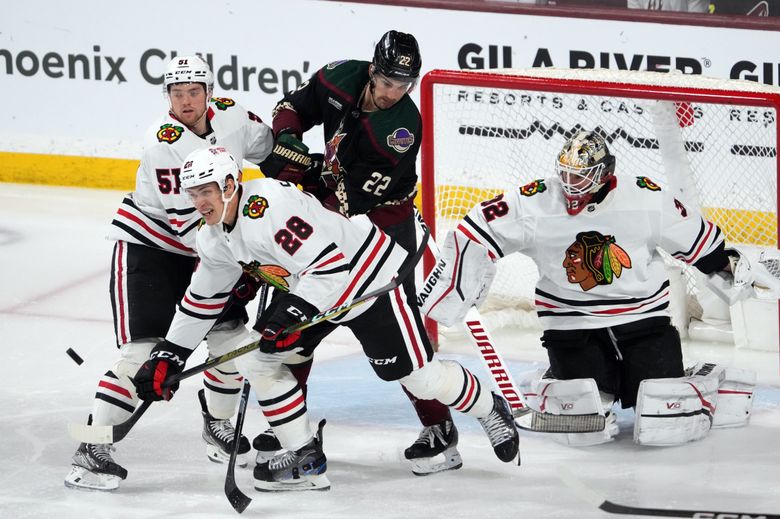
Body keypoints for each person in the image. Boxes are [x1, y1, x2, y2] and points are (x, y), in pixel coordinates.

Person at [131, 145, 520, 491]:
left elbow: (331, 267)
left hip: (366, 279)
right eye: (194, 193)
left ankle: (490, 408)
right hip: (313, 288)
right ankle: (305, 458)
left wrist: (289, 315)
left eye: (207, 191)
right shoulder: (213, 237)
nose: (200, 202)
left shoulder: (267, 208)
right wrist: (168, 354)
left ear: (230, 185)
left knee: (418, 376)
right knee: (262, 361)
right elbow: (203, 299)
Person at [420, 130, 780, 447]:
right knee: (582, 418)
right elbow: (473, 231)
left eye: (581, 176)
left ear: (605, 173)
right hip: (570, 326)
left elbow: (700, 246)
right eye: (565, 173)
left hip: (643, 321)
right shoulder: (535, 201)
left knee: (665, 414)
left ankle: (705, 381)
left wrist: (735, 270)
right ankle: (551, 382)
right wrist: (451, 293)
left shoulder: (644, 196)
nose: (570, 183)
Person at [64, 56, 274, 491]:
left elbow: (268, 148)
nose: (185, 101)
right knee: (145, 354)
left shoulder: (231, 113)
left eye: (194, 91)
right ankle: (91, 447)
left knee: (230, 341)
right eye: (176, 94)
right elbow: (192, 226)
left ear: (209, 91)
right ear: (168, 98)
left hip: (211, 250)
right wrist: (243, 264)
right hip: (153, 249)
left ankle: (217, 425)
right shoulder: (163, 143)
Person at [257, 30, 460, 475]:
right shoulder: (338, 77)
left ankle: (440, 429)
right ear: (372, 70)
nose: (393, 93)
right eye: (387, 81)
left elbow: (346, 199)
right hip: (334, 226)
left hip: (383, 231)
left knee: (393, 343)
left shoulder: (402, 130)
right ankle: (290, 427)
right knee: (298, 326)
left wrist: (301, 168)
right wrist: (287, 138)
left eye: (404, 84)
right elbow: (294, 107)